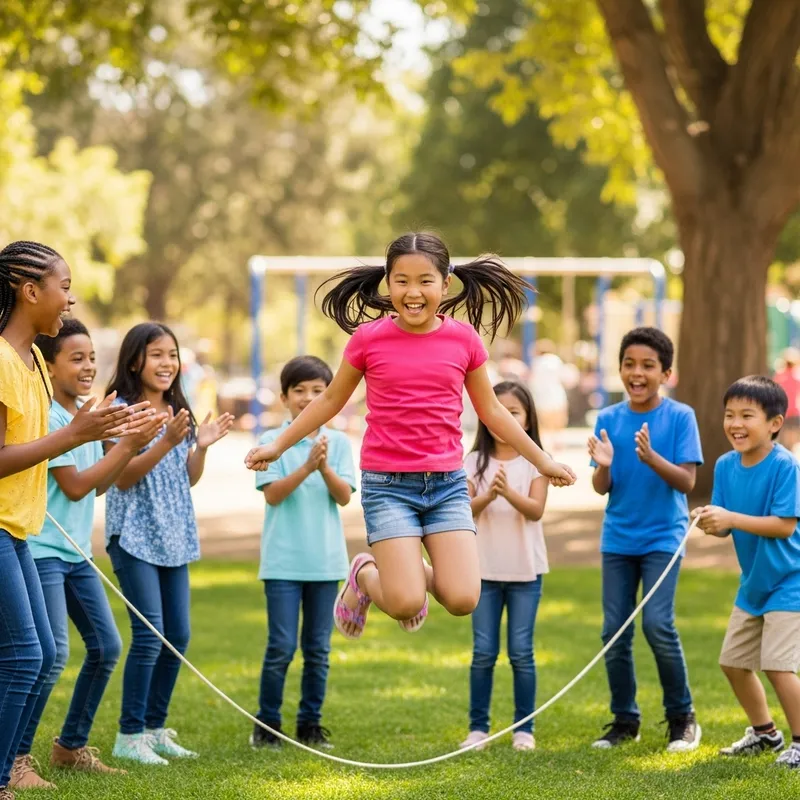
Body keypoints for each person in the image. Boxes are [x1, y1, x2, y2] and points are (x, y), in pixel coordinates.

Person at [245, 232, 575, 642]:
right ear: (387, 282)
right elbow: (330, 400)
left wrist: (541, 460)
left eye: (424, 281)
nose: (413, 292)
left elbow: (491, 411)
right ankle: (365, 574)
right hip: (388, 486)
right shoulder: (368, 339)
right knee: (403, 603)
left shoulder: (464, 340)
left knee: (462, 599)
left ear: (445, 283)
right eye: (401, 280)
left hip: (446, 486)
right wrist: (278, 445)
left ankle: (401, 571)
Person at [0, 240, 151, 800]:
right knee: (26, 657)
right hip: (6, 529)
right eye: (63, 286)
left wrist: (109, 428)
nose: (70, 298)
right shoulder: (0, 360)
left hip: (18, 528)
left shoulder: (34, 361)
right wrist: (74, 435)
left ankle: (13, 769)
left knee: (38, 654)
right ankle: (7, 774)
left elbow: (57, 436)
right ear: (29, 290)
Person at [103, 322, 234, 766]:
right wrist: (167, 443)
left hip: (173, 533)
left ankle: (155, 729)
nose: (167, 363)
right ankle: (129, 734)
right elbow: (121, 477)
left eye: (172, 354)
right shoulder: (120, 409)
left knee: (176, 634)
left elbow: (187, 478)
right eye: (157, 354)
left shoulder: (180, 408)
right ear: (135, 360)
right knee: (149, 635)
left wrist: (200, 448)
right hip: (135, 535)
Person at [587, 327, 702, 752]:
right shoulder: (608, 419)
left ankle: (682, 717)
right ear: (620, 369)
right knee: (613, 632)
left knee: (657, 624)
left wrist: (652, 457)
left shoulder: (680, 417)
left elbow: (687, 480)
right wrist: (603, 466)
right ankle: (624, 720)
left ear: (666, 373)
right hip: (617, 538)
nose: (637, 373)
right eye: (629, 364)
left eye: (648, 366)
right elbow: (602, 487)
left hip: (662, 538)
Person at [249, 356, 355, 751]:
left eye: (318, 391)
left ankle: (310, 723)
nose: (309, 399)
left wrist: (324, 467)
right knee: (280, 646)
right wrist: (307, 467)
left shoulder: (339, 443)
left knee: (318, 650)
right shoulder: (271, 444)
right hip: (282, 564)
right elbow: (274, 495)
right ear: (284, 397)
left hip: (325, 564)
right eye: (300, 391)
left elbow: (344, 496)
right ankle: (268, 724)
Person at [693, 376, 800, 768]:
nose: (735, 423)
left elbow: (784, 525)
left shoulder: (785, 466)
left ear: (774, 423)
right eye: (729, 415)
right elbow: (726, 526)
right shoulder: (724, 465)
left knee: (777, 664)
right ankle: (765, 733)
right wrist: (710, 521)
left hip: (791, 581)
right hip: (753, 583)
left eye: (747, 416)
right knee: (733, 663)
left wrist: (732, 518)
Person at [461, 381, 549, 753]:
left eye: (514, 412)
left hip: (525, 573)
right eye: (499, 410)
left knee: (520, 652)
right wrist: (488, 495)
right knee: (483, 652)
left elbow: (536, 510)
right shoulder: (472, 461)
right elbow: (463, 510)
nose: (505, 418)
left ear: (527, 419)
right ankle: (478, 728)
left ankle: (523, 729)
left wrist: (508, 493)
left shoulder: (535, 461)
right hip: (482, 572)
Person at [774, 348, 800, 453]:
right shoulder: (797, 377)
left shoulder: (779, 376)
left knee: (783, 436)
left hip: (782, 410)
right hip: (794, 410)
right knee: (793, 436)